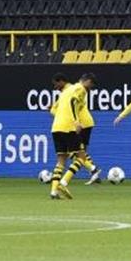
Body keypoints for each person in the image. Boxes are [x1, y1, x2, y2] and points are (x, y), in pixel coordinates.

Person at [57, 73, 103, 188]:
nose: (91, 88)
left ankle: (92, 170)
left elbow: (68, 106)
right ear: (87, 81)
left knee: (76, 152)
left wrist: (75, 121)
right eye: (91, 84)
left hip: (82, 123)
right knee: (79, 152)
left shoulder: (76, 89)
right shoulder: (77, 89)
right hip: (84, 123)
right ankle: (93, 170)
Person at [48, 72, 85, 200]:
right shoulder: (74, 89)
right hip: (68, 128)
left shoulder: (64, 93)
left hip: (55, 128)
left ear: (62, 81)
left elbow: (53, 109)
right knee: (81, 157)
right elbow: (74, 102)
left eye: (56, 84)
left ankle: (53, 191)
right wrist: (76, 122)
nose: (55, 87)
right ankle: (63, 183)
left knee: (61, 161)